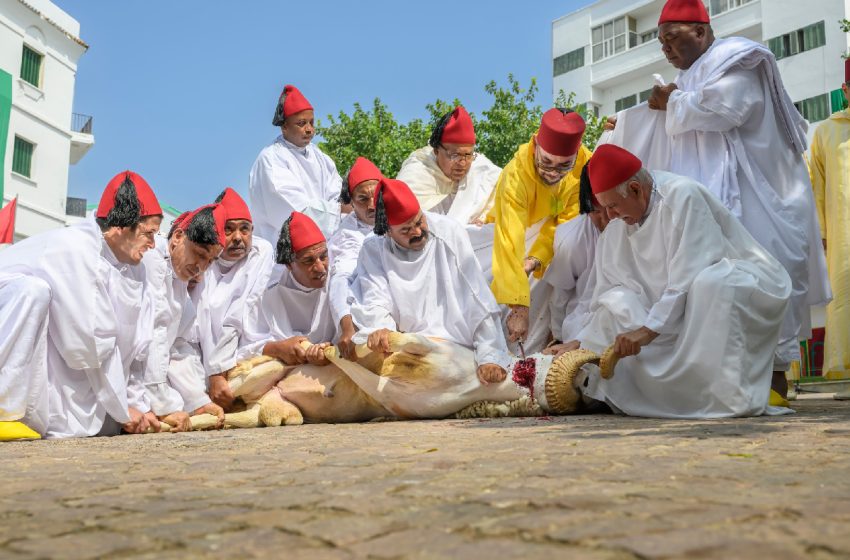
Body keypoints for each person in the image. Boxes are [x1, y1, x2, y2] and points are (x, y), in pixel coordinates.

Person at [607, 0, 830, 400]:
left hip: (764, 196)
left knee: (769, 276)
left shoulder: (737, 61)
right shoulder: (694, 76)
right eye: (660, 42)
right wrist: (629, 120)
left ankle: (776, 379)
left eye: (672, 37)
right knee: (721, 285)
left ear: (702, 32)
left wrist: (669, 103)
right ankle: (734, 380)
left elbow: (726, 109)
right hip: (727, 200)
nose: (666, 48)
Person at [574, 144, 792, 418]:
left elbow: (691, 273)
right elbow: (608, 288)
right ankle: (642, 396)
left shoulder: (682, 196)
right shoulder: (619, 224)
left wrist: (646, 330)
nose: (610, 217)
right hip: (665, 308)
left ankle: (726, 397)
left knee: (714, 284)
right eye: (605, 209)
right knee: (616, 304)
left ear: (635, 189)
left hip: (733, 283)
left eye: (613, 206)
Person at [0, 171, 163, 439]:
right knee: (33, 292)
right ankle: (3, 408)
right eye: (149, 233)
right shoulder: (76, 250)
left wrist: (138, 406)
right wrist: (123, 410)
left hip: (80, 366)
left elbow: (135, 349)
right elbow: (87, 345)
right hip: (10, 312)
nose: (153, 244)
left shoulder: (134, 269)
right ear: (121, 226)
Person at [350, 178, 511, 385]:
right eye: (406, 230)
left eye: (419, 222)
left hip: (458, 346)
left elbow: (477, 298)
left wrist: (490, 356)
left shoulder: (449, 232)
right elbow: (374, 295)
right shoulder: (373, 248)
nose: (417, 232)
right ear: (388, 231)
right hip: (406, 345)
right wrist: (381, 330)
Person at [484, 108, 592, 353]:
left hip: (553, 241)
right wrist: (519, 308)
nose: (553, 173)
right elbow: (509, 241)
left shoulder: (585, 165)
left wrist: (536, 258)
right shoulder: (515, 176)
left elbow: (568, 222)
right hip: (511, 236)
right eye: (546, 163)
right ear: (535, 146)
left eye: (564, 165)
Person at [140, 204, 228, 431]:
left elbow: (176, 345)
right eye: (199, 254)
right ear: (178, 236)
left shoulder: (179, 282)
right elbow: (155, 336)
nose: (201, 267)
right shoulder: (153, 260)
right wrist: (163, 405)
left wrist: (198, 401)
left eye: (210, 261)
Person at [194, 188, 275, 411]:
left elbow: (237, 316)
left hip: (244, 354)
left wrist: (217, 373)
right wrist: (211, 376)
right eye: (228, 229)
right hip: (203, 367)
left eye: (244, 229)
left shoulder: (260, 252)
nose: (238, 238)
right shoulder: (201, 260)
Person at [248, 84, 344, 241]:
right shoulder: (271, 158)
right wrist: (338, 212)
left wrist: (341, 207)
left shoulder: (319, 155)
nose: (309, 129)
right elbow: (293, 210)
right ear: (284, 127)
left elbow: (336, 190)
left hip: (323, 247)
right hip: (281, 249)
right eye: (301, 123)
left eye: (311, 123)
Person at [809, 59, 850, 397]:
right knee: (844, 294)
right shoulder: (826, 131)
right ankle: (845, 368)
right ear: (845, 91)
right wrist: (820, 232)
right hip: (842, 234)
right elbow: (815, 186)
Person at [251, 211, 337, 368]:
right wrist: (279, 348)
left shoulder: (338, 282)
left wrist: (330, 350)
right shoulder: (268, 295)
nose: (320, 268)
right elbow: (247, 345)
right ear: (289, 265)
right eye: (308, 261)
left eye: (323, 257)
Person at [543, 166, 609, 356]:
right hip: (581, 323)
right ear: (585, 207)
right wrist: (558, 337)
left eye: (609, 208)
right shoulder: (571, 238)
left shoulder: (629, 222)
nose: (606, 218)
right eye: (596, 211)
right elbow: (560, 294)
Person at [397, 106, 501, 224]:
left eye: (468, 155)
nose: (462, 163)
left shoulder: (483, 171)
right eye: (454, 155)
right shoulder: (417, 172)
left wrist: (484, 218)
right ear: (436, 151)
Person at [328, 157, 383, 360]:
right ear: (351, 202)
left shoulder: (401, 216)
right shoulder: (347, 236)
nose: (371, 206)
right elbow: (341, 278)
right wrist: (347, 328)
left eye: (376, 196)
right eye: (362, 199)